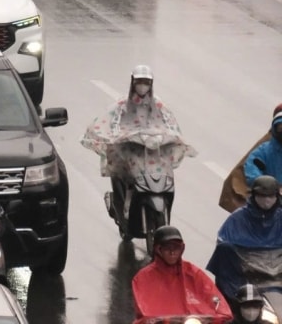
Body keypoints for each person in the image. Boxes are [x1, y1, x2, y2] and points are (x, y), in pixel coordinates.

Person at [82, 64, 197, 230]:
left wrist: (171, 137)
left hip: (152, 152)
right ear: (133, 82)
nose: (142, 85)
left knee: (165, 171)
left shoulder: (159, 106)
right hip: (131, 150)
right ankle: (125, 207)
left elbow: (170, 125)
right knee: (127, 173)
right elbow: (112, 124)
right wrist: (119, 136)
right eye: (139, 81)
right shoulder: (122, 106)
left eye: (146, 81)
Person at [132, 226, 231, 324]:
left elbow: (211, 293)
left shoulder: (192, 272)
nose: (172, 252)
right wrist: (153, 319)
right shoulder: (143, 277)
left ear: (182, 249)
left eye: (176, 248)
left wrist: (222, 312)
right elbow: (143, 307)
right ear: (158, 250)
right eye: (167, 248)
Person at [208, 175, 282, 299]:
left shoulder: (280, 218)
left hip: (277, 275)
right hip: (246, 277)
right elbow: (223, 246)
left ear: (276, 196)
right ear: (254, 195)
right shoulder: (237, 218)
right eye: (262, 196)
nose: (266, 200)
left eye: (270, 196)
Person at [244, 108, 282, 185]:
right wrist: (264, 184)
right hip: (269, 194)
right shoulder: (264, 151)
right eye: (280, 128)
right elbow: (252, 166)